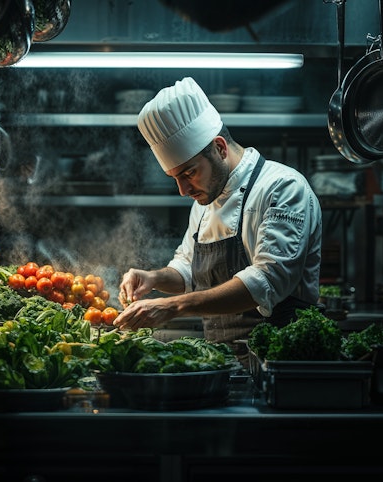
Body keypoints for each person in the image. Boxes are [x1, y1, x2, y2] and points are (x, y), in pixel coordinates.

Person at [114, 77, 322, 364]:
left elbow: (266, 280)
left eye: (188, 174)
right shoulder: (205, 197)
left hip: (281, 366)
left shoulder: (282, 187)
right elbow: (188, 270)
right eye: (174, 178)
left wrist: (173, 306)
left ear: (220, 148)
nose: (183, 191)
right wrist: (154, 279)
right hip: (223, 364)